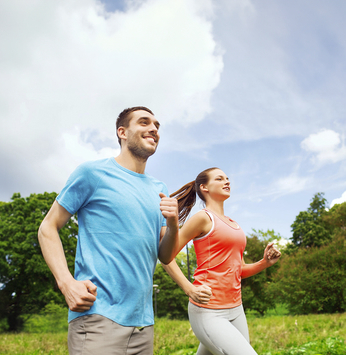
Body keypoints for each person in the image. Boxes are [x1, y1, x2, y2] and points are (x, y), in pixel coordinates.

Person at [38, 106, 179, 355]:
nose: (154, 129)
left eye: (157, 125)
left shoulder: (159, 188)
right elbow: (48, 227)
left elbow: (165, 255)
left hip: (143, 324)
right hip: (98, 317)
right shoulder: (93, 173)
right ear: (122, 132)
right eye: (144, 122)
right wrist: (66, 283)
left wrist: (173, 224)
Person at [162, 167, 281, 355]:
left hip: (236, 309)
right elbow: (166, 256)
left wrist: (264, 262)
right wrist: (189, 288)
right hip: (208, 310)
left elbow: (239, 269)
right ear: (204, 187)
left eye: (227, 178)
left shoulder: (234, 224)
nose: (227, 181)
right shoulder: (203, 218)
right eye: (219, 179)